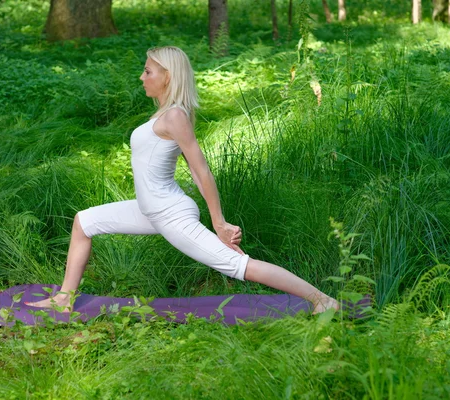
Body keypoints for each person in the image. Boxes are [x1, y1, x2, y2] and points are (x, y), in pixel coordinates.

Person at [26, 46, 339, 314]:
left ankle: (322, 300)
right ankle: (64, 300)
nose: (142, 77)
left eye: (148, 71)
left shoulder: (175, 116)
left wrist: (219, 223)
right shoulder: (163, 115)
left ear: (167, 76)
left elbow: (200, 170)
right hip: (151, 209)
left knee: (238, 266)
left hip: (169, 213)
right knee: (84, 221)